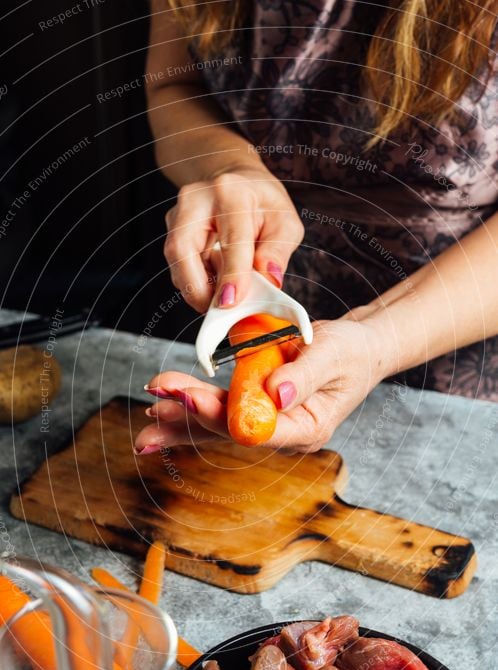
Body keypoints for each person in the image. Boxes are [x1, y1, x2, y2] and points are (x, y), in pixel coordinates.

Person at [134, 0, 498, 456]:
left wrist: (377, 339)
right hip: (279, 301)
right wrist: (229, 165)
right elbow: (174, 86)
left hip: (459, 332)